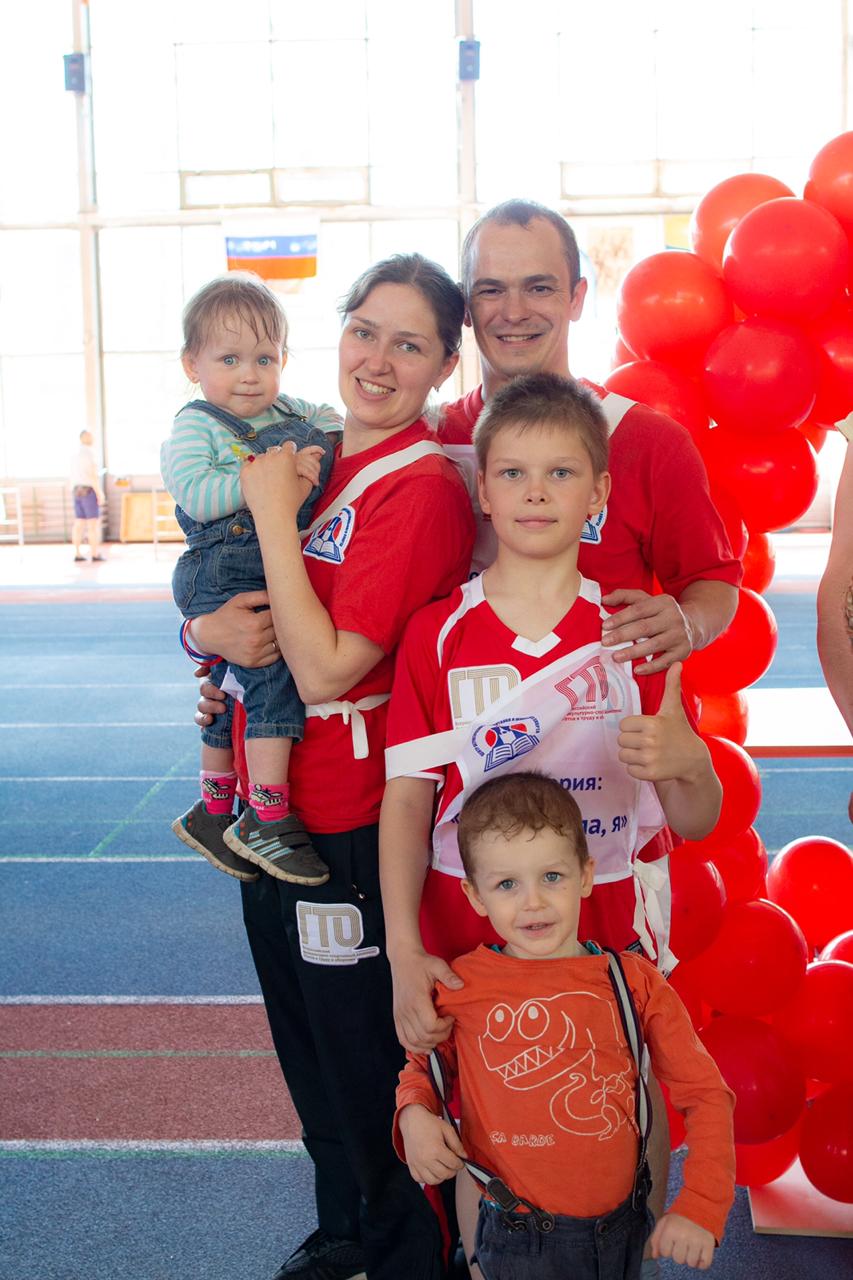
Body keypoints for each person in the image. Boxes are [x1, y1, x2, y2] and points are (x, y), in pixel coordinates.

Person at [380, 373, 722, 1276]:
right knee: (476, 1106)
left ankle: (626, 1255)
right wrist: (405, 950)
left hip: (607, 909)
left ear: (600, 493)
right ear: (481, 487)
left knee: (627, 1090)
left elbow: (695, 813)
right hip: (468, 917)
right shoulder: (438, 635)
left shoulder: (637, 635)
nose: (536, 492)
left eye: (563, 473)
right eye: (515, 472)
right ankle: (483, 1262)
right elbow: (408, 802)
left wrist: (686, 762)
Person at [189, 254, 476, 1280]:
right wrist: (201, 629)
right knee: (307, 1052)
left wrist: (271, 513)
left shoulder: (421, 489)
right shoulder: (315, 460)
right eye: (365, 330)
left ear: (444, 363)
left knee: (369, 1066)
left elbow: (321, 669)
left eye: (409, 343)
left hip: (352, 821)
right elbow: (239, 605)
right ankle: (347, 1225)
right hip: (275, 814)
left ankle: (409, 1251)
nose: (379, 358)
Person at [394, 772, 735, 1280]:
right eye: (507, 884)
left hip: (620, 1234)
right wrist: (413, 1117)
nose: (532, 901)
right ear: (475, 896)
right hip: (512, 1236)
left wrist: (700, 1205)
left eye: (551, 876)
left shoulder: (633, 982)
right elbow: (422, 1070)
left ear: (586, 875)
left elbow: (706, 1093)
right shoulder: (460, 986)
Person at [440, 198, 741, 673]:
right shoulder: (431, 440)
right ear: (466, 308)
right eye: (491, 290)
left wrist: (689, 622)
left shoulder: (649, 440)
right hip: (467, 731)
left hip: (609, 731)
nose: (514, 312)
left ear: (577, 298)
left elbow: (712, 579)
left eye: (539, 288)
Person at [161, 274, 338, 886]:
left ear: (283, 361)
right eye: (229, 359)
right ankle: (265, 811)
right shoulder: (195, 426)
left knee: (226, 684)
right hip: (222, 566)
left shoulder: (290, 411)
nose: (249, 375)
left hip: (259, 563)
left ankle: (214, 809)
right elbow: (195, 492)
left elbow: (331, 419)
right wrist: (265, 486)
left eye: (265, 359)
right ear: (193, 364)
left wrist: (334, 435)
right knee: (269, 681)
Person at [69, 429, 105, 562]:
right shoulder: (90, 453)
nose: (93, 438)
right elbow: (92, 474)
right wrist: (99, 492)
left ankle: (77, 553)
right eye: (90, 436)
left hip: (76, 490)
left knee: (78, 523)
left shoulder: (74, 454)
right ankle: (94, 554)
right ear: (85, 438)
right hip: (88, 491)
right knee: (92, 525)